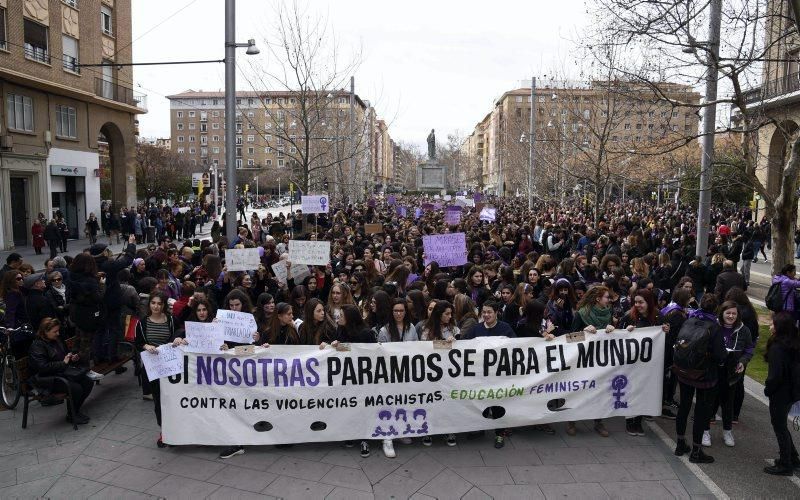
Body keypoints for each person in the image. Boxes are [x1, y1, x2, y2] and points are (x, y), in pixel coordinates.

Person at [673, 294, 725, 464]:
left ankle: (680, 443)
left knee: (684, 407)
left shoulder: (688, 319)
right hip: (704, 374)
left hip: (684, 370)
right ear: (716, 308)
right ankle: (696, 451)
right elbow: (720, 355)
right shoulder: (715, 327)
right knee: (701, 413)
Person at [320, 304, 376, 458]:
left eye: (342, 316)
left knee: (362, 407)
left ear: (350, 318)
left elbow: (371, 354)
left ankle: (364, 438)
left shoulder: (367, 333)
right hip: (345, 377)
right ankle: (351, 433)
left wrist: (343, 347)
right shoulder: (340, 329)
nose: (339, 319)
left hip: (363, 378)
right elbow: (337, 347)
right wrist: (330, 346)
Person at [464, 300, 516, 448]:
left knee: (498, 405)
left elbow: (517, 347)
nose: (486, 315)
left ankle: (499, 434)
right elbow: (463, 345)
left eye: (489, 312)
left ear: (496, 313)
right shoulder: (476, 329)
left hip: (499, 376)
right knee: (482, 402)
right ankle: (480, 428)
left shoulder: (506, 328)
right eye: (484, 312)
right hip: (480, 375)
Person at [135, 290, 184, 447]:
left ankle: (176, 430)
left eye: (159, 303)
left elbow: (179, 333)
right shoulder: (142, 323)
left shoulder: (170, 319)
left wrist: (177, 338)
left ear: (164, 305)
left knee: (173, 399)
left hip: (171, 366)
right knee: (158, 400)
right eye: (153, 303)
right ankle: (164, 431)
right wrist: (145, 345)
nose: (156, 306)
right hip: (154, 367)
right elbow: (137, 343)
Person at [619, 288, 669, 436]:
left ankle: (638, 421)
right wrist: (625, 331)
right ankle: (630, 421)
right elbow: (618, 336)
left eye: (641, 302)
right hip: (632, 364)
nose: (638, 305)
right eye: (636, 302)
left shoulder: (659, 317)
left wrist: (666, 332)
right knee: (631, 391)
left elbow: (665, 342)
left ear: (649, 302)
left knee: (643, 392)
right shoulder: (629, 316)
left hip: (649, 365)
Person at [568, 285, 615, 438]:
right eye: (607, 297)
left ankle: (598, 421)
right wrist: (584, 332)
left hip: (600, 360)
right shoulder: (581, 314)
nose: (609, 300)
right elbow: (570, 338)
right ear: (598, 299)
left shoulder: (608, 313)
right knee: (578, 391)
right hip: (582, 361)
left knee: (599, 390)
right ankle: (572, 420)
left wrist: (612, 328)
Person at [705, 301, 753, 448]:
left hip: (731, 373)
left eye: (734, 313)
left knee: (728, 404)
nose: (731, 316)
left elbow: (749, 349)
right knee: (709, 402)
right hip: (713, 371)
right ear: (722, 313)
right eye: (728, 313)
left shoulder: (744, 330)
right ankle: (705, 431)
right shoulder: (713, 326)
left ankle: (727, 431)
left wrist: (743, 362)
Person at [29, 318, 94, 424]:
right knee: (76, 388)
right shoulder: (37, 346)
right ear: (45, 331)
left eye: (58, 330)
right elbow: (42, 367)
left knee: (88, 382)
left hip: (61, 373)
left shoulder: (57, 340)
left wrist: (72, 358)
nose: (58, 333)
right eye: (55, 331)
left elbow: (65, 355)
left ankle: (74, 411)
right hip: (46, 379)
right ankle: (72, 415)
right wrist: (63, 363)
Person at [375, 298, 418, 457]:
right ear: (391, 312)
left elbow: (416, 349)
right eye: (395, 311)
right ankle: (387, 438)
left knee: (403, 402)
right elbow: (381, 354)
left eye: (401, 311)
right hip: (389, 374)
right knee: (388, 405)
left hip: (406, 373)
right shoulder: (384, 331)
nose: (398, 314)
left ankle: (400, 430)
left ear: (406, 312)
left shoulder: (411, 328)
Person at [763, 311, 800, 475]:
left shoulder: (777, 348)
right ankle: (792, 457)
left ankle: (786, 464)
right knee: (782, 425)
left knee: (779, 427)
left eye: (772, 324)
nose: (770, 326)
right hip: (791, 392)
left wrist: (768, 388)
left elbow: (775, 376)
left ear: (779, 328)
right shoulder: (793, 344)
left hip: (780, 393)